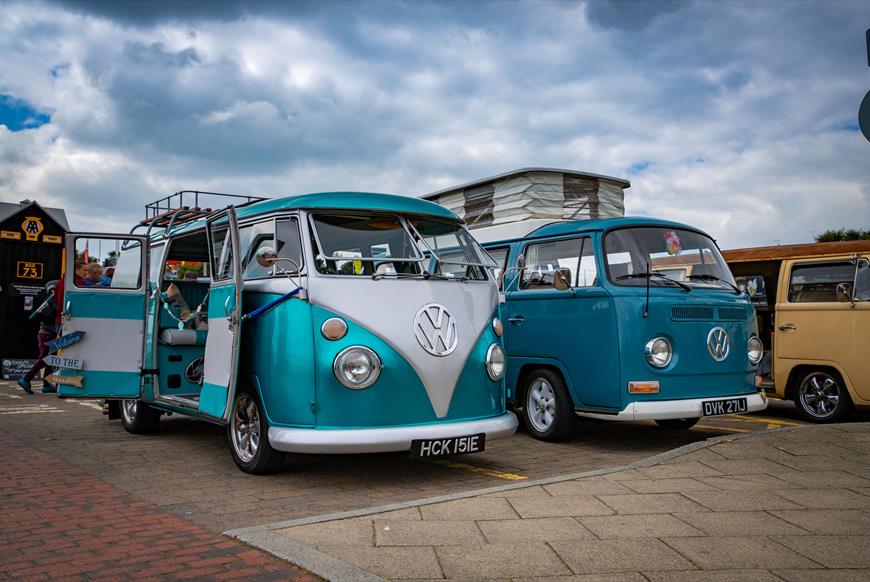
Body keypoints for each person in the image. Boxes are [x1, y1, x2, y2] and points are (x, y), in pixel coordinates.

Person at [18, 281, 59, 395]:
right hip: (47, 334)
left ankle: (47, 385)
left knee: (51, 359)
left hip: (50, 334)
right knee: (45, 358)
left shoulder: (50, 301)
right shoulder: (51, 302)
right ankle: (26, 378)